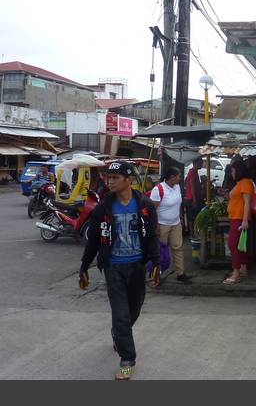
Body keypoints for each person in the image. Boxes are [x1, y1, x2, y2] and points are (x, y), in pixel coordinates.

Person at [78, 160, 160, 380]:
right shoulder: (103, 208)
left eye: (115, 178)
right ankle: (127, 359)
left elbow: (152, 236)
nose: (110, 181)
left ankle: (119, 335)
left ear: (128, 180)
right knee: (121, 314)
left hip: (137, 266)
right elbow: (93, 240)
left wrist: (156, 263)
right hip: (113, 267)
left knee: (134, 310)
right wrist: (84, 267)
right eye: (108, 177)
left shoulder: (144, 205)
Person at [150, 166, 191, 283]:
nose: (180, 178)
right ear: (172, 178)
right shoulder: (158, 190)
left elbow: (178, 204)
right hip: (162, 225)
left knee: (177, 248)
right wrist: (155, 226)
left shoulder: (177, 187)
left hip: (176, 223)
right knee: (160, 251)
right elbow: (153, 210)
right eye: (178, 176)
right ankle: (157, 274)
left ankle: (181, 273)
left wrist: (180, 218)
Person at [223, 160, 253, 285]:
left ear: (238, 170)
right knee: (240, 245)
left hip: (239, 219)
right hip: (235, 217)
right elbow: (233, 198)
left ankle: (235, 274)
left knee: (232, 244)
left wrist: (245, 220)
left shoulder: (245, 182)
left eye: (233, 171)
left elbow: (247, 202)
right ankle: (243, 268)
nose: (232, 173)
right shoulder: (239, 183)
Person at [185, 157, 204, 237]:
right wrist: (195, 200)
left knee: (194, 216)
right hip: (192, 198)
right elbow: (192, 186)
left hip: (193, 197)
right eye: (201, 163)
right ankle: (192, 234)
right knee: (192, 217)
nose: (202, 164)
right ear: (196, 163)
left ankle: (194, 233)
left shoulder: (194, 172)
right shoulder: (192, 172)